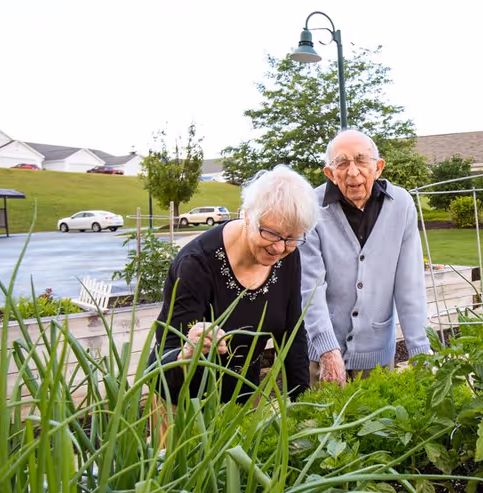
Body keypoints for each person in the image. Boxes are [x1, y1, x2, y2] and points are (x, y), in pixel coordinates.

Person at [148, 165, 318, 406]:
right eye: (271, 233)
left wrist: (302, 406)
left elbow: (293, 335)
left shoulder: (288, 256)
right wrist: (189, 350)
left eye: (291, 238)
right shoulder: (196, 264)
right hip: (186, 403)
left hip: (243, 397)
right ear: (247, 216)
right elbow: (169, 351)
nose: (279, 248)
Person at [300, 129, 431, 386]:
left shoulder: (401, 204)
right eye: (342, 163)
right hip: (322, 354)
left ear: (378, 167)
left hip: (377, 356)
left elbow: (410, 285)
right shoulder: (310, 207)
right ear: (329, 173)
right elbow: (310, 288)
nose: (353, 172)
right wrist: (328, 350)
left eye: (362, 160)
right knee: (320, 423)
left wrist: (419, 351)